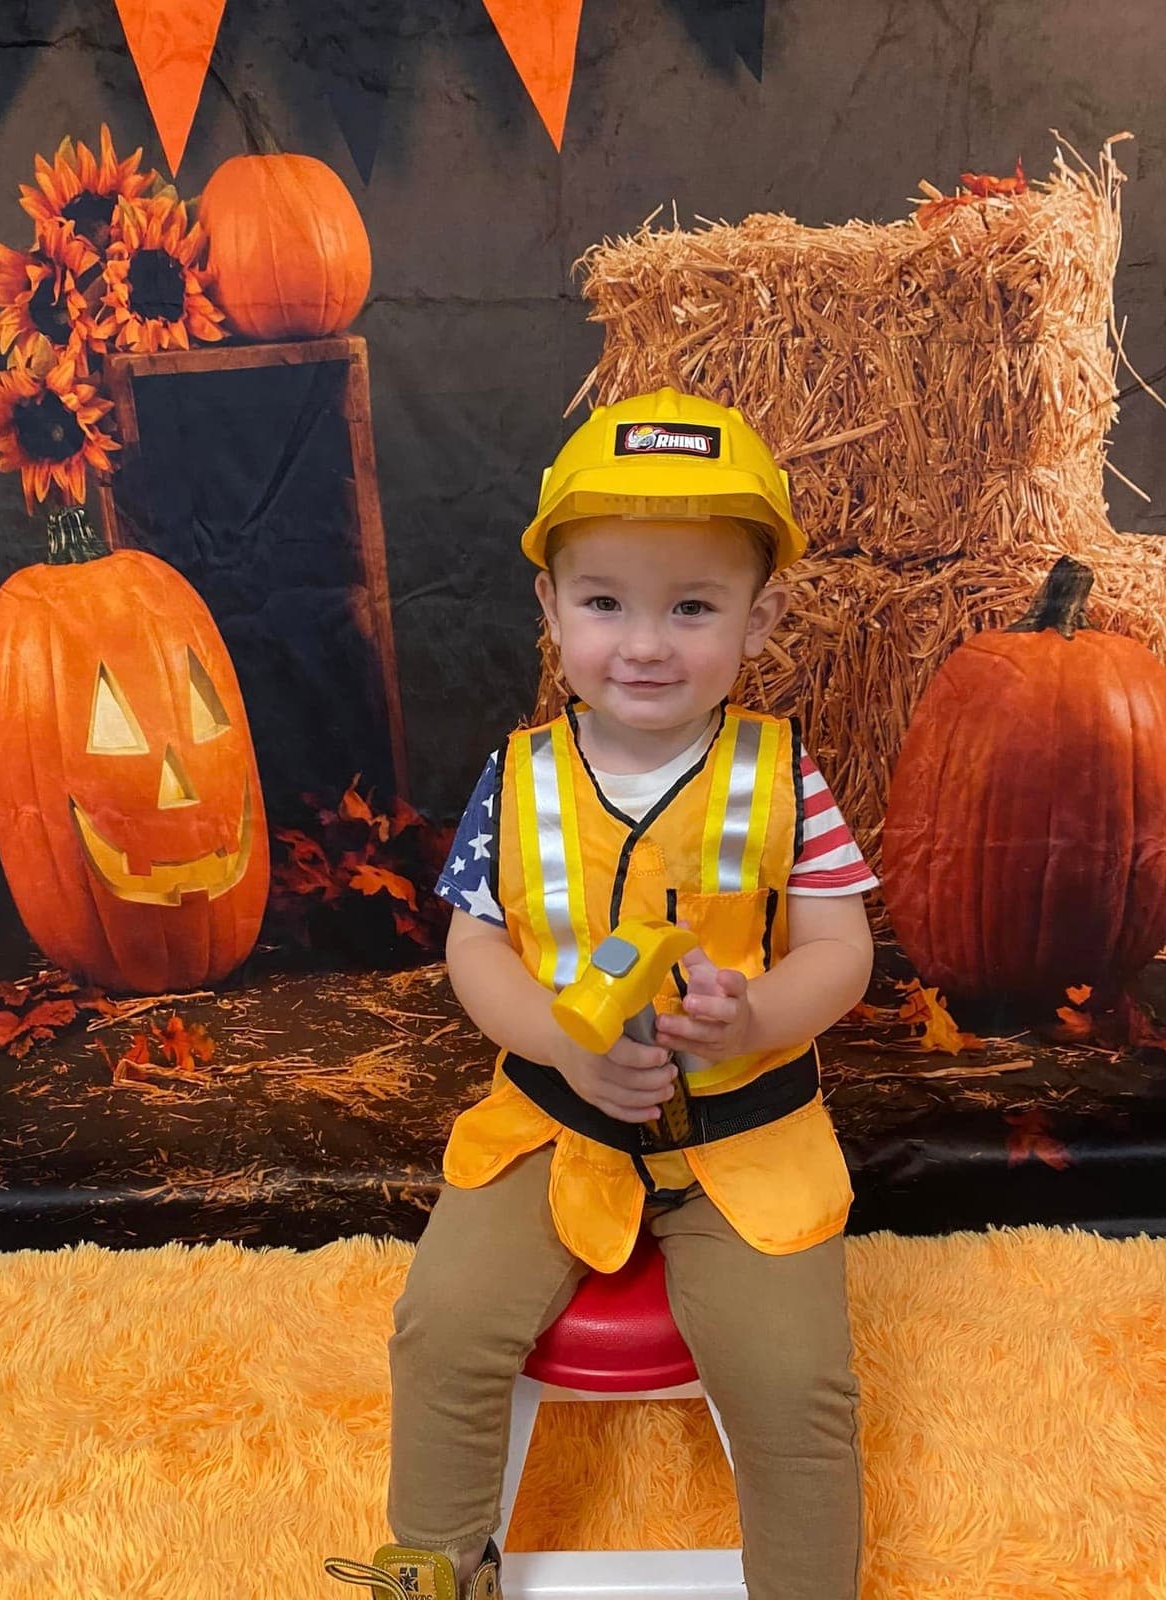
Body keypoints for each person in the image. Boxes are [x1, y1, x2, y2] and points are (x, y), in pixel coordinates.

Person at [325, 387, 878, 1600]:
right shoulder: (514, 781)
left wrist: (763, 1014)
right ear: (550, 609)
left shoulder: (787, 778)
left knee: (797, 1386)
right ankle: (430, 1572)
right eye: (605, 602)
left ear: (759, 614)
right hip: (552, 1121)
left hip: (745, 1139)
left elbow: (844, 949)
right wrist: (564, 1054)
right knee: (444, 1330)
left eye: (692, 606)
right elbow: (478, 953)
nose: (644, 642)